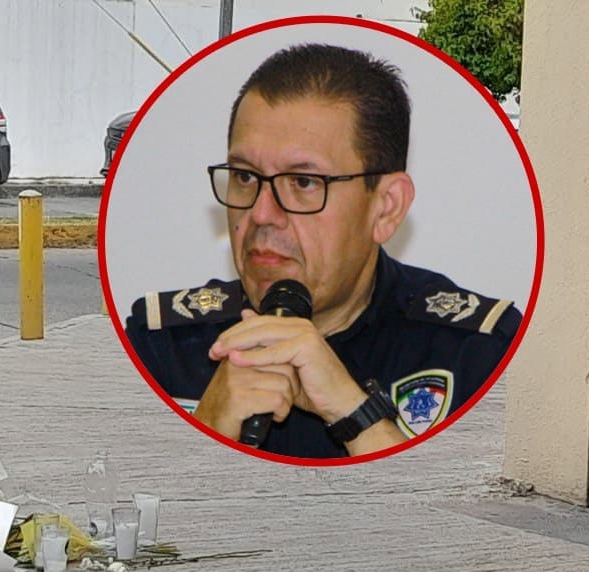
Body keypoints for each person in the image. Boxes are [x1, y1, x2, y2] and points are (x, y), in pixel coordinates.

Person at [123, 43, 522, 459]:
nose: (261, 214)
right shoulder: (162, 347)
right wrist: (206, 430)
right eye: (244, 176)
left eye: (304, 182)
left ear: (386, 207)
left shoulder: (477, 354)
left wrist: (356, 413)